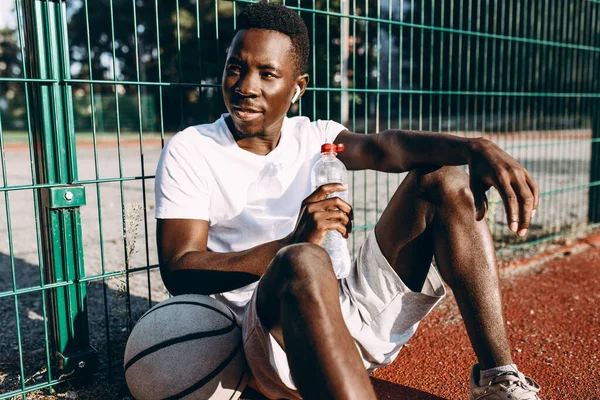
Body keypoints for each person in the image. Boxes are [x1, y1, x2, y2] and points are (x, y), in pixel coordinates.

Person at [154, 2, 541, 399]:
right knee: (303, 259)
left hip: (347, 307)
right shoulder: (193, 148)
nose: (245, 86)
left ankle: (500, 379)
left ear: (298, 87)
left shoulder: (315, 136)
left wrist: (474, 147)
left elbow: (383, 147)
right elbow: (179, 269)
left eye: (267, 73)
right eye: (235, 67)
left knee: (444, 179)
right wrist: (291, 243)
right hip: (270, 337)